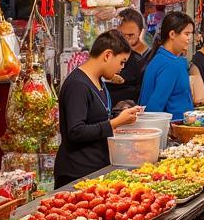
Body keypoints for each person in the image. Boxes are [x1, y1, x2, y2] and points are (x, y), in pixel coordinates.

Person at [54, 31, 143, 186]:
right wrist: (115, 123)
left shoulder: (99, 81)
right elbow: (76, 131)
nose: (122, 68)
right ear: (107, 55)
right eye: (121, 62)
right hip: (77, 173)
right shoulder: (78, 85)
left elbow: (97, 117)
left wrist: (121, 115)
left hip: (96, 169)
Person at [138, 11, 195, 120]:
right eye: (186, 34)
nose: (189, 38)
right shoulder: (171, 64)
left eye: (191, 34)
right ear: (172, 34)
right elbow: (155, 106)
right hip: (172, 129)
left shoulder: (162, 59)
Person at [107, 7, 148, 105]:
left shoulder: (140, 63)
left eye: (130, 35)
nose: (125, 40)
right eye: (122, 34)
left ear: (140, 33)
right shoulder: (105, 54)